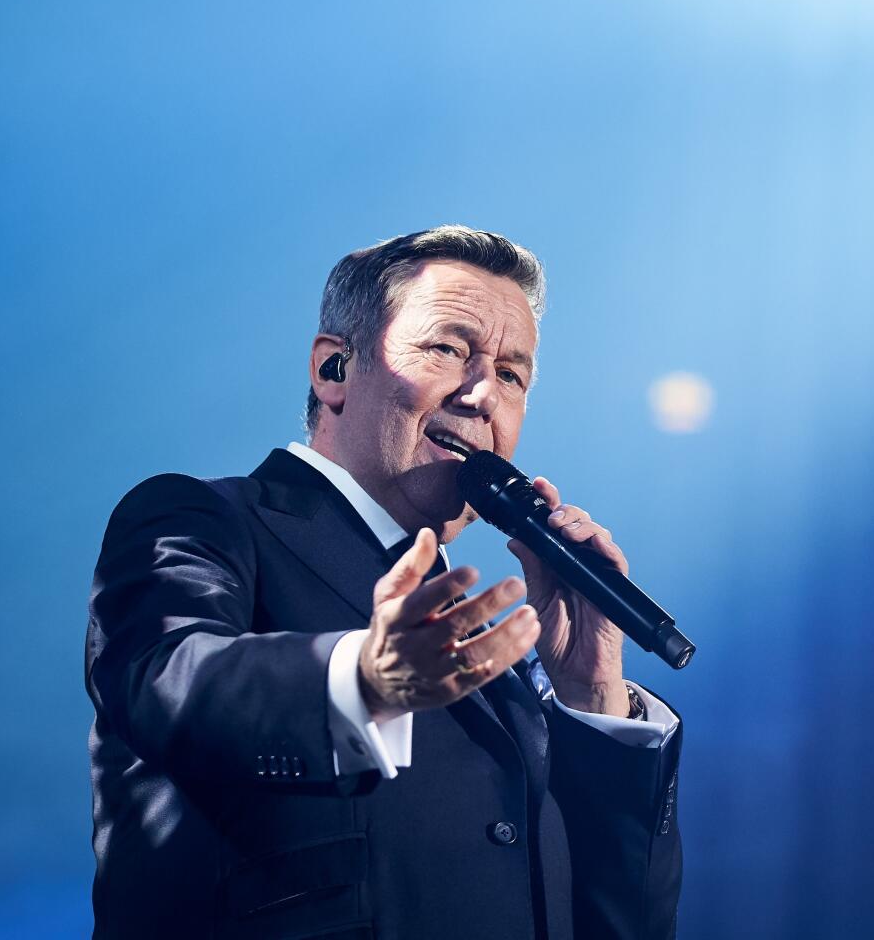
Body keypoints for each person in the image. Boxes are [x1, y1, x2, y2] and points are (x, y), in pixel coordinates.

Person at [85, 227, 683, 939]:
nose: (482, 394)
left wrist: (590, 695)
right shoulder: (205, 518)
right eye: (448, 350)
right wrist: (366, 680)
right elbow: (164, 682)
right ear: (334, 369)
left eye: (511, 375)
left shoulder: (502, 667)